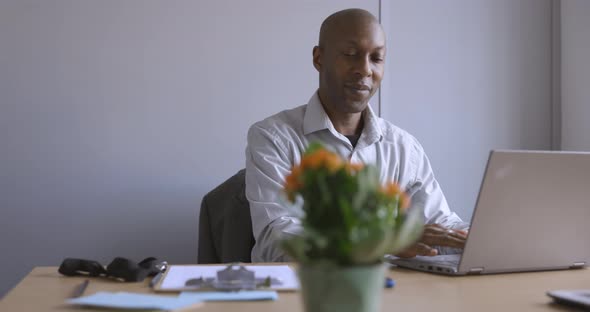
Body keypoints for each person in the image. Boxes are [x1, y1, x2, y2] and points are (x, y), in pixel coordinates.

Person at [245, 8, 469, 262]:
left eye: (376, 58)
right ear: (319, 59)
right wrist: (385, 241)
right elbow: (279, 241)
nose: (365, 70)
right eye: (350, 55)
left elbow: (440, 228)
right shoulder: (273, 138)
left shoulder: (404, 147)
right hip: (303, 295)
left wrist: (482, 239)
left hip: (394, 295)